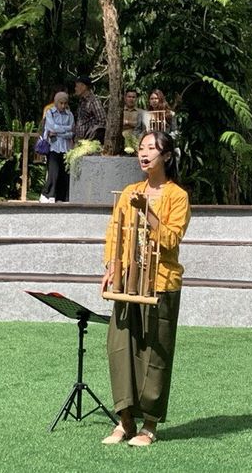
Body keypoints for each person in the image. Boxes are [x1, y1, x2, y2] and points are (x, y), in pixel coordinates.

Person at [100, 131, 191, 447]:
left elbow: (170, 240)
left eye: (151, 148)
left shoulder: (177, 196)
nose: (144, 153)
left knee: (156, 353)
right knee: (119, 346)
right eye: (141, 147)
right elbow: (115, 231)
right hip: (128, 281)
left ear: (165, 156)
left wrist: (147, 211)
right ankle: (125, 420)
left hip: (161, 283)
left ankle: (149, 425)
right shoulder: (129, 191)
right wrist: (112, 266)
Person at [39, 92, 74, 203]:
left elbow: (72, 131)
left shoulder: (70, 115)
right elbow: (50, 127)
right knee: (53, 172)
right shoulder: (50, 112)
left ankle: (61, 197)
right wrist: (65, 129)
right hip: (53, 147)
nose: (63, 106)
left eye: (65, 103)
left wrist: (58, 131)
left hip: (66, 147)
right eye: (61, 103)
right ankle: (47, 194)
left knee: (64, 173)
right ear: (56, 102)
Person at [74, 75, 106, 142]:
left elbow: (102, 120)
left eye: (77, 86)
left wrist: (91, 134)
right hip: (79, 141)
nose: (75, 89)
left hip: (89, 142)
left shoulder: (94, 101)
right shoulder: (81, 101)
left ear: (83, 87)